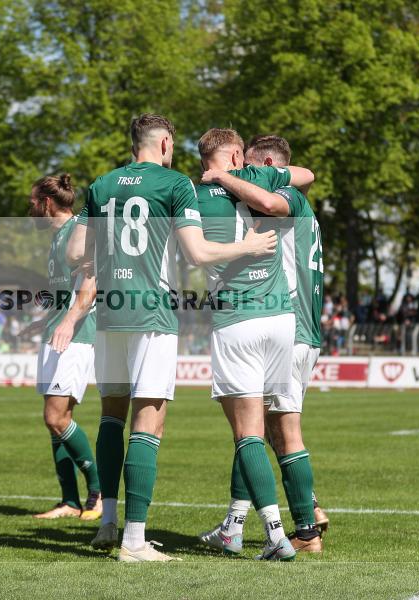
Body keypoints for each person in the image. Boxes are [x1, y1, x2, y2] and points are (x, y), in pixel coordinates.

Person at [81, 113, 278, 562]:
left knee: (111, 416)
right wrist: (247, 247)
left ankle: (106, 524)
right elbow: (196, 252)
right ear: (166, 143)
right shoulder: (174, 185)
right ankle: (134, 541)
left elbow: (78, 251)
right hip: (151, 311)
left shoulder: (100, 184)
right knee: (148, 420)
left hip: (109, 312)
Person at [197, 133, 326, 556]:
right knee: (262, 425)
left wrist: (221, 174)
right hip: (297, 324)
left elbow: (271, 198)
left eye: (257, 168)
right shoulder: (291, 196)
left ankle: (306, 528)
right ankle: (238, 522)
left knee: (276, 429)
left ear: (268, 163)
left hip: (288, 322)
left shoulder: (282, 195)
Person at [27, 173, 102, 522]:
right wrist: (47, 320)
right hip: (57, 330)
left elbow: (92, 283)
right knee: (55, 422)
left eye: (32, 202)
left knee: (56, 417)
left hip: (76, 334)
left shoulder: (79, 231)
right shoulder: (58, 237)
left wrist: (69, 322)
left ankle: (98, 492)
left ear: (45, 203)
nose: (30, 208)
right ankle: (70, 501)